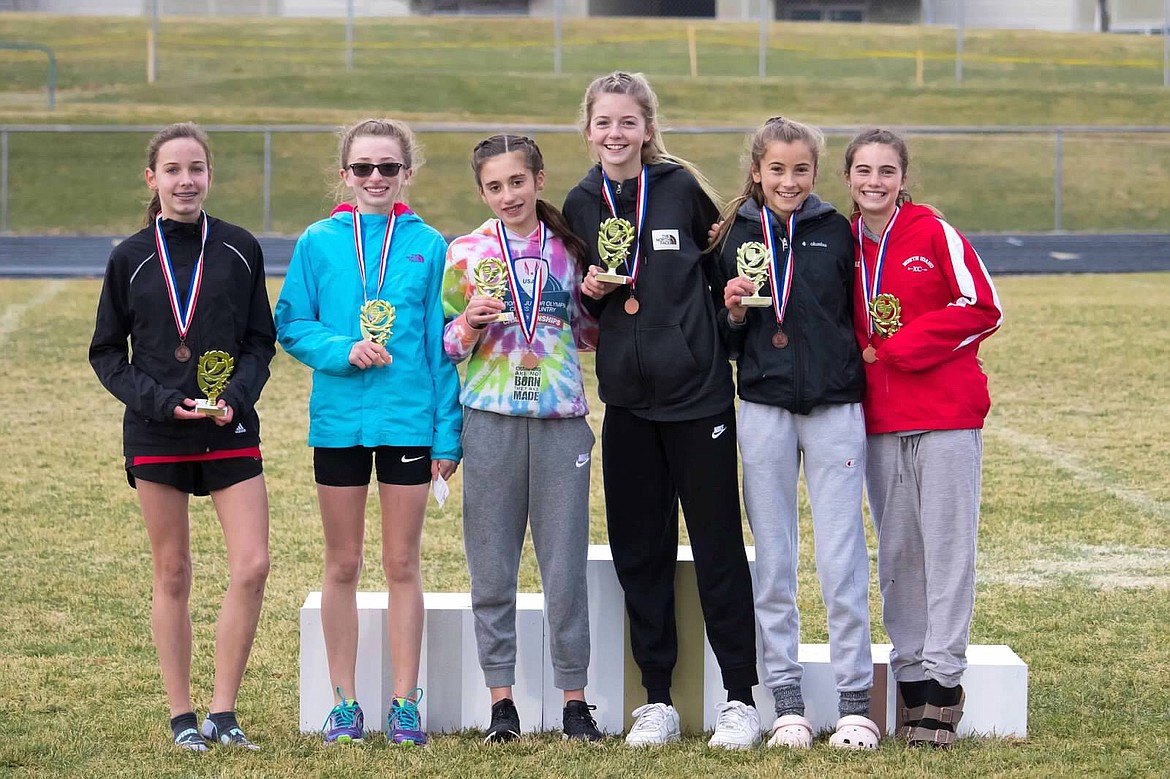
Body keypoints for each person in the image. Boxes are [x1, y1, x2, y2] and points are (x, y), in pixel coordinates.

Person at [562, 71, 760, 749]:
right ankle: (656, 699)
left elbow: (728, 271)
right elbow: (587, 302)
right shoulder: (580, 200)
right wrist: (590, 291)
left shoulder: (677, 188)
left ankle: (740, 696)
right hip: (628, 404)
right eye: (603, 123)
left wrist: (725, 325)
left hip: (698, 397)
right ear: (587, 130)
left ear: (647, 128)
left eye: (627, 122)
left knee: (717, 548)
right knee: (639, 551)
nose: (614, 134)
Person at [275, 118, 461, 747]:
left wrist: (447, 436)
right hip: (339, 421)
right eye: (363, 168)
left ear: (407, 173)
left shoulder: (430, 245)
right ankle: (345, 701)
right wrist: (340, 349)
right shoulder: (317, 241)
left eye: (388, 167)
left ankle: (406, 702)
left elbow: (441, 349)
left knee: (402, 561)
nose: (375, 178)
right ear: (345, 174)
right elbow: (291, 322)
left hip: (408, 418)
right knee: (343, 562)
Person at [89, 122, 275, 752]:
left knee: (252, 564)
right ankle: (182, 718)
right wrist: (165, 404)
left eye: (195, 168)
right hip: (156, 430)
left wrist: (235, 398)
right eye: (173, 170)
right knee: (172, 571)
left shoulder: (240, 248)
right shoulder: (130, 257)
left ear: (209, 176)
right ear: (153, 179)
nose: (185, 180)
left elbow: (259, 341)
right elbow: (108, 353)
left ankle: (224, 713)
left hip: (228, 426)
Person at [711, 116, 878, 750]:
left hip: (835, 407)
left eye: (800, 169)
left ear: (816, 172)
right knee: (774, 558)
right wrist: (730, 311)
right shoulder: (733, 235)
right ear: (757, 171)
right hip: (763, 407)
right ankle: (786, 705)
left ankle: (855, 702)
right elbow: (723, 337)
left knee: (841, 556)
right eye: (776, 169)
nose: (788, 180)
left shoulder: (838, 231)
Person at [844, 128, 1003, 748]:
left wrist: (900, 348)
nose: (875, 182)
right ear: (849, 178)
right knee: (900, 555)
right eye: (863, 171)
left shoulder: (935, 234)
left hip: (945, 413)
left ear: (903, 178)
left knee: (947, 551)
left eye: (887, 171)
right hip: (880, 421)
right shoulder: (843, 241)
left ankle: (943, 683)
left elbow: (983, 307)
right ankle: (908, 678)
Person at [441, 134, 602, 743]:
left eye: (517, 182)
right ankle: (501, 702)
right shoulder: (466, 252)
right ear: (482, 190)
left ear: (539, 178)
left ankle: (574, 702)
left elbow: (587, 335)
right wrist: (469, 323)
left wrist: (596, 301)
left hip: (562, 423)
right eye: (494, 186)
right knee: (492, 566)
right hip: (490, 420)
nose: (508, 195)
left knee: (565, 570)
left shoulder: (571, 249)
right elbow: (445, 346)